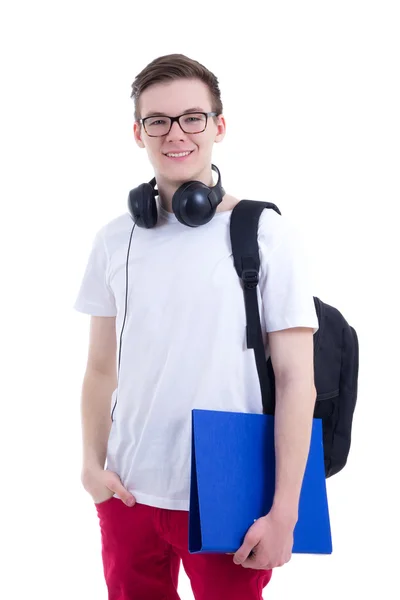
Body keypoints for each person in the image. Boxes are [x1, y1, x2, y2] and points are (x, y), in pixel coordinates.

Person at [74, 53, 319, 600]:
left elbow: (296, 380)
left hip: (227, 492)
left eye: (192, 117)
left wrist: (286, 512)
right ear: (138, 133)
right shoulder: (115, 239)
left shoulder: (264, 233)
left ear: (218, 127)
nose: (175, 133)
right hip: (127, 492)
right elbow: (98, 368)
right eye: (157, 120)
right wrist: (93, 469)